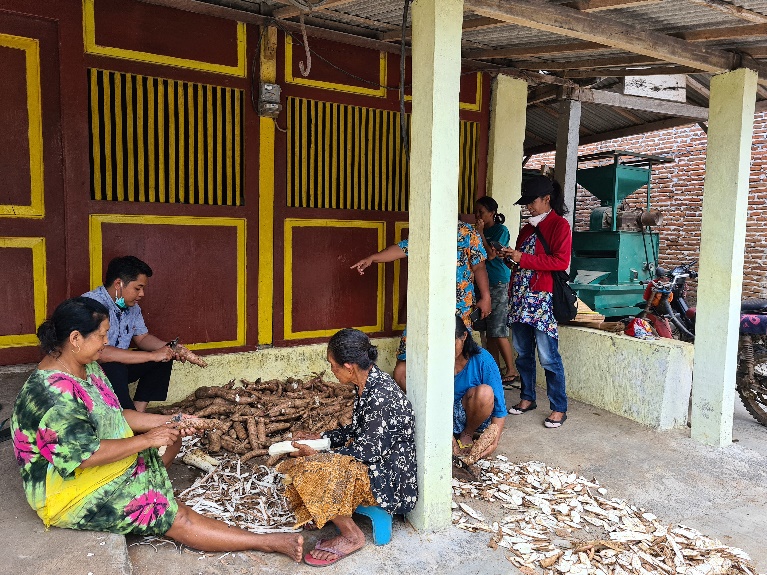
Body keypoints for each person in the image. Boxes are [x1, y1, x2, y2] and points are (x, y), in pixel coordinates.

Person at [10, 297, 303, 562]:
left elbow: (117, 415)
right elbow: (84, 456)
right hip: (71, 491)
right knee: (176, 517)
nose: (106, 342)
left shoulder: (86, 365)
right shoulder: (50, 395)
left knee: (172, 441)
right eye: (101, 336)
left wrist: (172, 421)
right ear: (75, 338)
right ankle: (267, 543)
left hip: (96, 464)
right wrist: (149, 439)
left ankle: (155, 491)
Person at [276, 328, 417, 567]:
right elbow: (356, 431)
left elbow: (369, 451)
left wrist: (321, 454)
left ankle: (352, 535)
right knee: (299, 464)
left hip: (389, 482)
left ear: (349, 366)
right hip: (373, 465)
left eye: (333, 365)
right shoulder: (367, 384)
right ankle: (327, 510)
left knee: (315, 469)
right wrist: (322, 438)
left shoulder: (381, 395)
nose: (331, 370)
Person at [351, 221, 491, 391]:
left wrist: (486, 297)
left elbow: (479, 267)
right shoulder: (425, 230)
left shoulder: (468, 232)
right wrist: (372, 258)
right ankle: (421, 411)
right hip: (424, 311)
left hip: (458, 310)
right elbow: (401, 249)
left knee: (455, 364)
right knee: (402, 370)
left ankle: (453, 408)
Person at [82, 256, 201, 412]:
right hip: (93, 371)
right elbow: (101, 353)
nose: (142, 294)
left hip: (121, 365)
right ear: (118, 284)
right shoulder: (91, 305)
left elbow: (142, 338)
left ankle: (139, 412)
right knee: (115, 368)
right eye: (137, 288)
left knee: (164, 357)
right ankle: (127, 417)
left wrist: (171, 348)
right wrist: (152, 355)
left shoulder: (132, 307)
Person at [499, 175, 571, 429]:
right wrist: (510, 258)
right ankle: (527, 398)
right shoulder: (527, 228)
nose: (528, 206)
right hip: (520, 298)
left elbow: (560, 262)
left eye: (532, 202)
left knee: (548, 356)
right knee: (523, 353)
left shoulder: (559, 226)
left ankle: (558, 407)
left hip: (542, 300)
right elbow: (522, 262)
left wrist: (522, 258)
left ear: (547, 199)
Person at [473, 196, 519, 385]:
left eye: (482, 212)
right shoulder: (478, 231)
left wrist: (481, 233)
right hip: (483, 283)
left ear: (492, 213)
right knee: (488, 330)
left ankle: (511, 369)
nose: (479, 216)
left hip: (498, 282)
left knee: (498, 329)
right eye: (477, 213)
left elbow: (491, 255)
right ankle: (495, 368)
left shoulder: (501, 230)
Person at [452, 316, 507, 457]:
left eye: (452, 343)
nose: (447, 350)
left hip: (471, 414)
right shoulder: (434, 359)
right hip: (443, 415)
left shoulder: (482, 359)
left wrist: (494, 442)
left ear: (464, 336)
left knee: (485, 393)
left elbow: (499, 408)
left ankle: (468, 433)